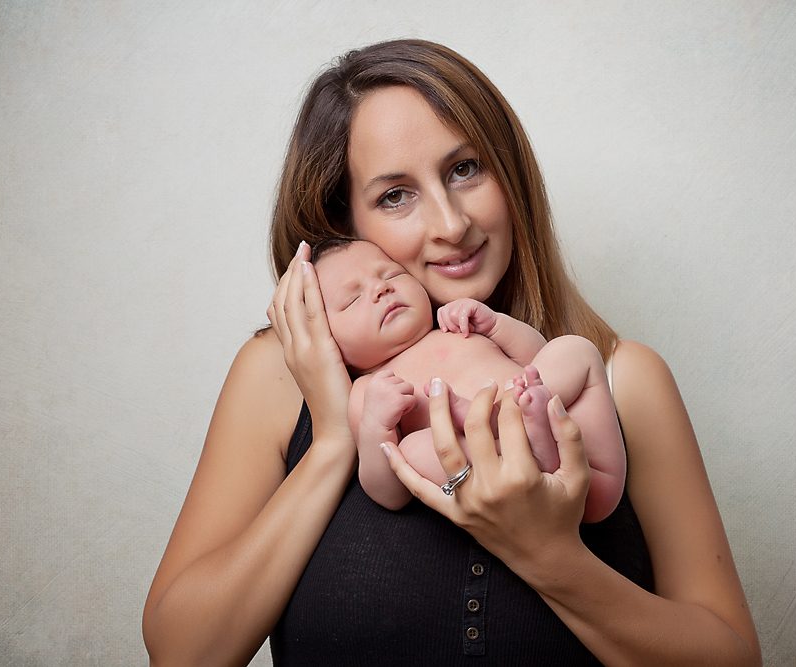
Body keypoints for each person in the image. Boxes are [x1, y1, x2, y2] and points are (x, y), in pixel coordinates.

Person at [142, 39, 761, 666]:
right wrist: (333, 439)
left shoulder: (620, 377)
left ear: (510, 173)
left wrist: (549, 557)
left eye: (465, 168)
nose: (450, 223)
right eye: (394, 196)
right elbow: (183, 653)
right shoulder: (276, 378)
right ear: (345, 223)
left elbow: (731, 658)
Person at [313, 237, 625, 521]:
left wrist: (495, 325)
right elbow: (389, 494)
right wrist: (377, 426)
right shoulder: (369, 390)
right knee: (413, 451)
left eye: (391, 275)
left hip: (590, 476)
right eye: (352, 299)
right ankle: (517, 441)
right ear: (327, 341)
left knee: (574, 349)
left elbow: (535, 358)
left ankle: (508, 416)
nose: (381, 289)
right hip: (503, 483)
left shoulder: (457, 324)